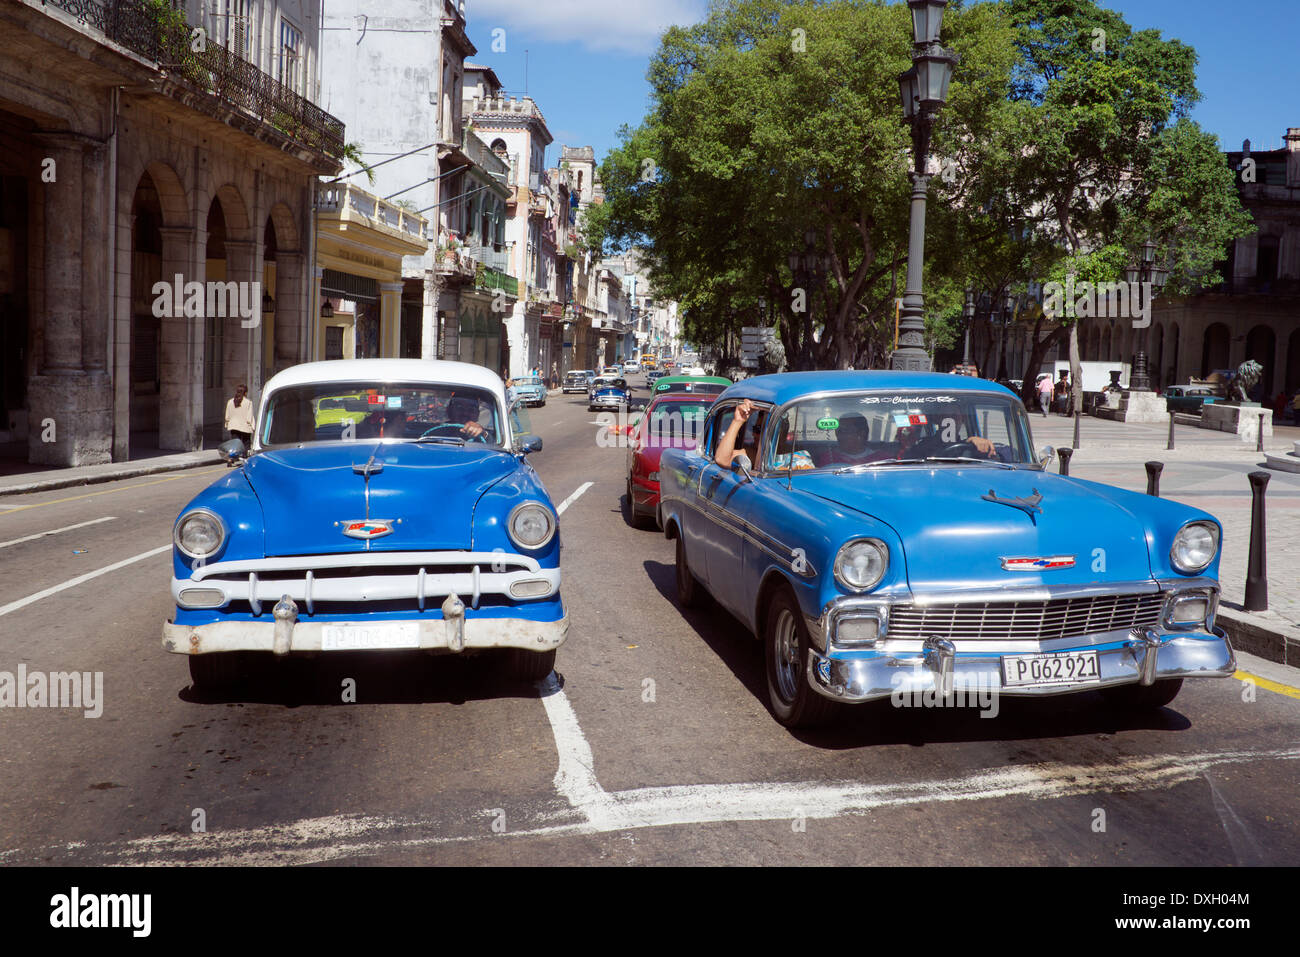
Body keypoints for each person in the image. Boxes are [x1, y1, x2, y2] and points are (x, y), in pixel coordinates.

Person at [714, 399, 763, 469]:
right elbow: (722, 460)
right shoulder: (754, 454)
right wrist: (738, 420)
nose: (754, 434)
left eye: (759, 430)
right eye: (755, 429)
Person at [223, 384, 254, 466]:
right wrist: (252, 426)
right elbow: (249, 417)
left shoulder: (230, 402)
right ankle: (245, 458)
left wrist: (227, 423)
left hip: (233, 425)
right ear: (245, 393)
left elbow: (227, 415)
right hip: (244, 426)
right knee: (246, 443)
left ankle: (230, 459)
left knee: (234, 444)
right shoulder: (248, 402)